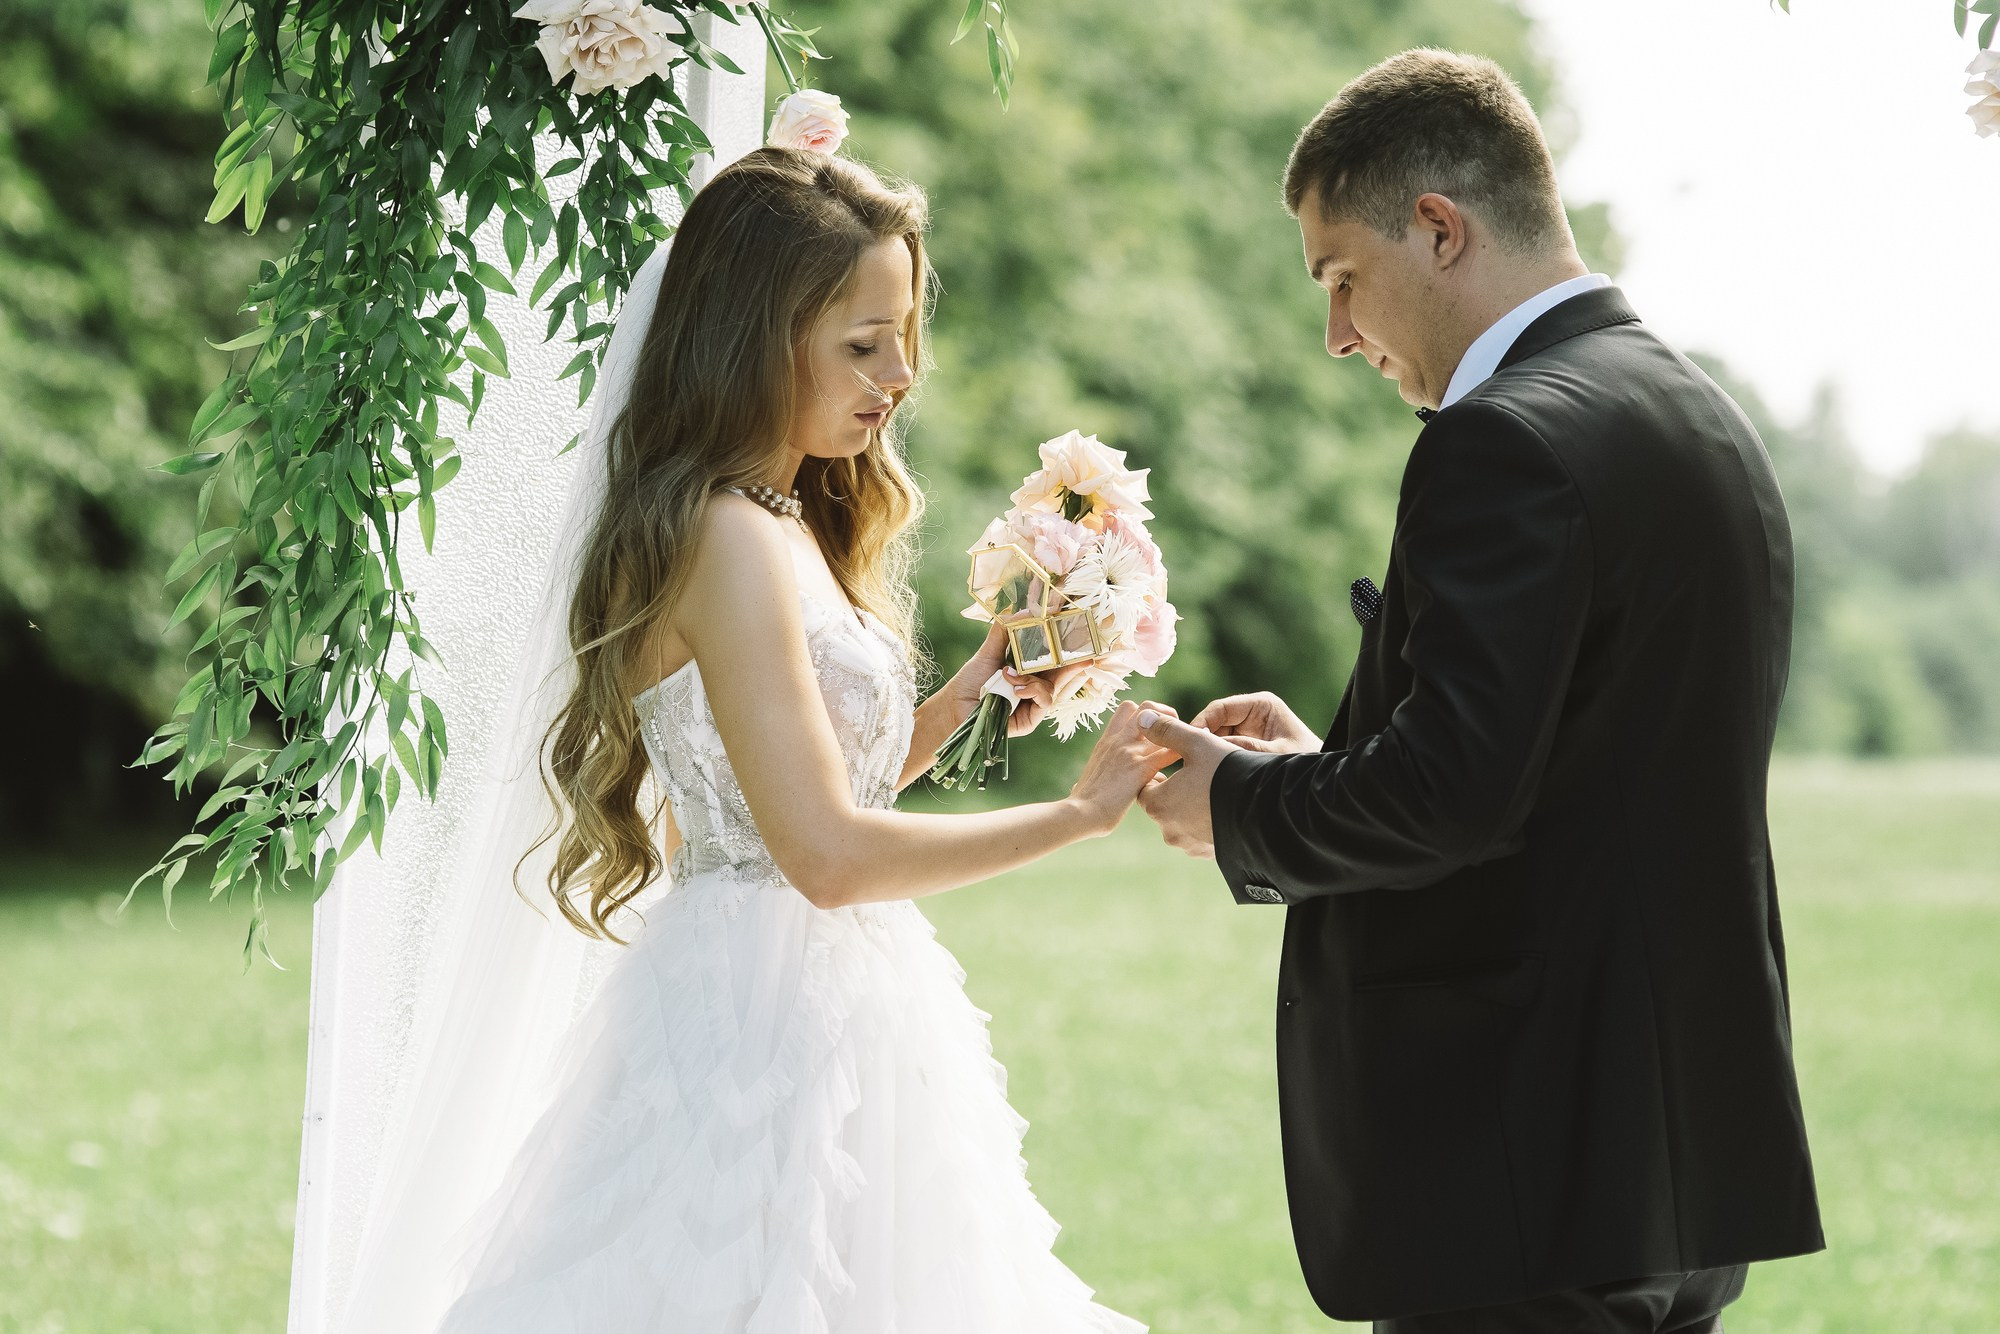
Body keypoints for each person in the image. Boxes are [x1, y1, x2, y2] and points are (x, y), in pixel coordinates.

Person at [1134, 48, 1824, 1334]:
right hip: (1667, 1152)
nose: (1336, 334)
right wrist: (1310, 763)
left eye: (1341, 278)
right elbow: (1566, 759)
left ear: (1437, 228)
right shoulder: (1694, 414)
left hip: (1519, 1160)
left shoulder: (1498, 435)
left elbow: (1450, 794)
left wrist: (1237, 807)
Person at [433, 145, 1161, 1331]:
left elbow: (836, 774)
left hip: (840, 989)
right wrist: (1079, 814)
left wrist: (985, 674)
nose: (899, 375)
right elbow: (820, 849)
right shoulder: (724, 535)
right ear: (752, 340)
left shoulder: (779, 517)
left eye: (903, 336)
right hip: (754, 1014)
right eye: (861, 344)